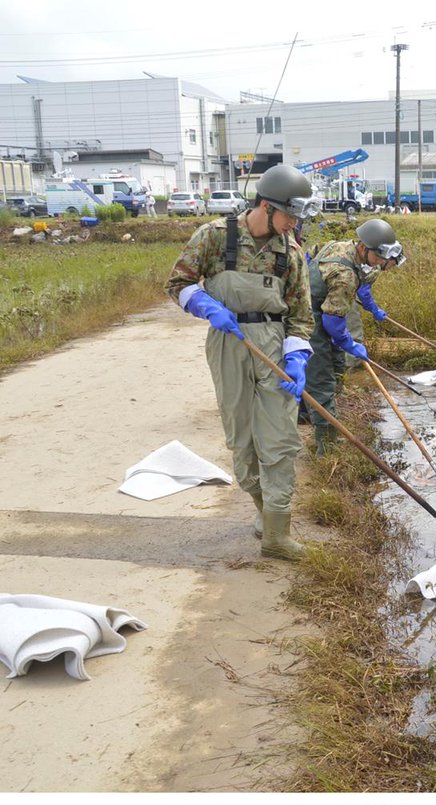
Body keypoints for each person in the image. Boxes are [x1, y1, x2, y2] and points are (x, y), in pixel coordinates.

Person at [165, 163, 319, 561]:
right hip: (228, 341)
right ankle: (263, 512)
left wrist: (297, 357)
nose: (294, 224)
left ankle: (277, 535)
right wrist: (203, 304)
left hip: (273, 345)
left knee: (280, 439)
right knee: (242, 440)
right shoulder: (215, 236)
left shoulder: (291, 252)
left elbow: (301, 315)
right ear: (267, 206)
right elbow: (177, 283)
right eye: (290, 215)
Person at [302, 217, 406, 454]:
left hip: (323, 310)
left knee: (337, 365)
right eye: (378, 256)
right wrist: (349, 343)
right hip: (310, 318)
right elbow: (332, 322)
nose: (381, 262)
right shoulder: (345, 274)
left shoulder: (339, 247)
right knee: (321, 378)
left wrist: (373, 310)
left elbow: (309, 256)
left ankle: (311, 416)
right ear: (363, 247)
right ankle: (326, 445)